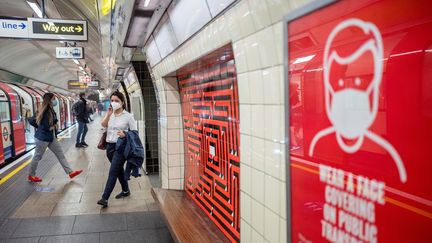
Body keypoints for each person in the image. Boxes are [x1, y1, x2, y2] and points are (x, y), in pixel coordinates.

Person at [28, 93, 83, 182]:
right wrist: (53, 126)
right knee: (37, 157)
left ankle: (70, 172)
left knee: (60, 154)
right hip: (42, 138)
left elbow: (42, 122)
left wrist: (49, 125)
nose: (55, 101)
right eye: (54, 99)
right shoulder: (46, 111)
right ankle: (31, 175)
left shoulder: (48, 109)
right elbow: (46, 126)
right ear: (50, 100)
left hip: (50, 137)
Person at [97, 91, 137, 207]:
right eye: (112, 100)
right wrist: (108, 115)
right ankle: (126, 190)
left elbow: (134, 132)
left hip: (121, 147)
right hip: (109, 147)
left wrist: (125, 134)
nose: (114, 103)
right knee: (118, 170)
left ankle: (104, 198)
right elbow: (103, 125)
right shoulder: (110, 114)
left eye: (117, 101)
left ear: (122, 102)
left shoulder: (128, 116)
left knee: (113, 171)